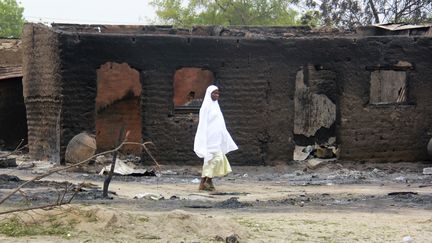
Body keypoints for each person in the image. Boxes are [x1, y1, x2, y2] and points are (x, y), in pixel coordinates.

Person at [194, 85, 238, 191]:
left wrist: (224, 136)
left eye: (218, 93)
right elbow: (203, 125)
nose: (216, 95)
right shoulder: (205, 107)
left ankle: (204, 183)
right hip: (209, 138)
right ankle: (207, 181)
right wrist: (203, 139)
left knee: (211, 160)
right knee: (214, 159)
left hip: (217, 138)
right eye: (214, 93)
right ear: (209, 94)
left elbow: (220, 123)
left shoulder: (216, 106)